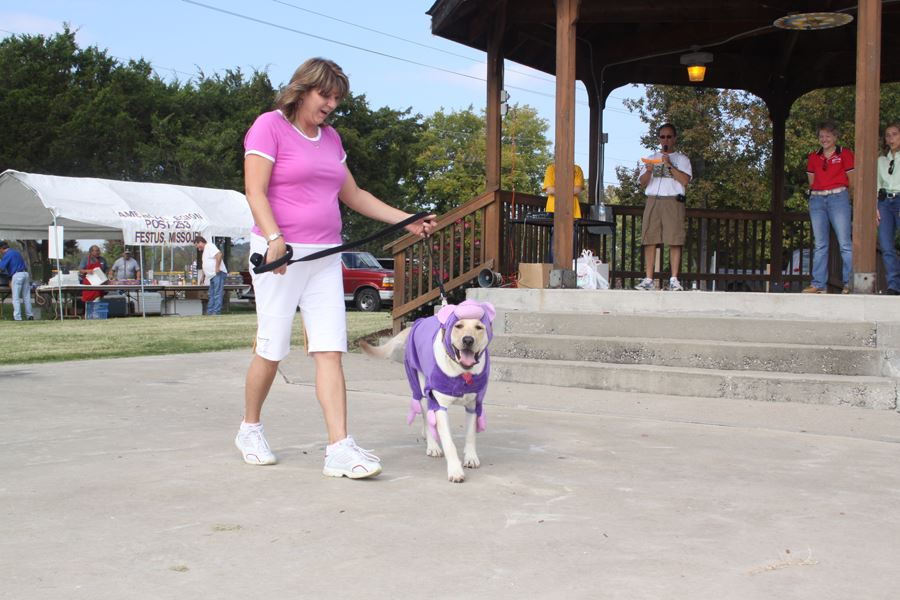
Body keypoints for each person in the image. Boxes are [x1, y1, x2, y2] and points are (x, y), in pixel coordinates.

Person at [239, 57, 435, 478]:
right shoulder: (269, 126)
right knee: (271, 348)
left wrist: (407, 218)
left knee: (330, 349)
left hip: (327, 256)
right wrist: (275, 239)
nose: (330, 104)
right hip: (281, 255)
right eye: (324, 95)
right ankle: (250, 428)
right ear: (302, 90)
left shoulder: (330, 139)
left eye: (336, 99)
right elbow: (255, 190)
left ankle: (339, 448)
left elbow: (355, 194)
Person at [634, 123, 692, 291]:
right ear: (659, 139)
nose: (665, 139)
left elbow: (685, 181)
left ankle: (674, 279)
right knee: (649, 239)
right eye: (662, 137)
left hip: (673, 201)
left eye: (668, 136)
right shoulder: (652, 157)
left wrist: (669, 165)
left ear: (674, 138)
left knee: (674, 239)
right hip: (653, 200)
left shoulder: (682, 159)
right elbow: (643, 183)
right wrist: (649, 171)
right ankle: (648, 279)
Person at [804, 120, 854, 294]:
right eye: (821, 136)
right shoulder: (813, 157)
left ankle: (849, 283)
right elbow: (811, 181)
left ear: (835, 136)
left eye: (828, 135)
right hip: (817, 200)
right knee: (820, 244)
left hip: (838, 197)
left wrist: (849, 197)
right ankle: (818, 284)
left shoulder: (845, 153)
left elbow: (852, 179)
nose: (824, 139)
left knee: (845, 243)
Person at [878, 122, 900, 295]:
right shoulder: (881, 160)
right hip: (884, 202)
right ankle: (894, 285)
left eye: (894, 134)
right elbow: (876, 185)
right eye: (888, 135)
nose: (891, 138)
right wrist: (874, 207)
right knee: (886, 245)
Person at [0, 240, 34, 321]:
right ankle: (30, 316)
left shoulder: (7, 254)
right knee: (26, 297)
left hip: (17, 275)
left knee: (15, 298)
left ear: (1, 248)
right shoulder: (16, 252)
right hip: (25, 274)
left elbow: (1, 268)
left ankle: (18, 318)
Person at [193, 236, 227, 315]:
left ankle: (216, 312)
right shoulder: (205, 251)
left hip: (217, 273)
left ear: (200, 242)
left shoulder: (210, 246)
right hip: (211, 276)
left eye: (196, 245)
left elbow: (219, 255)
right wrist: (203, 276)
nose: (197, 248)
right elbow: (206, 264)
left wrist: (217, 267)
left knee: (217, 293)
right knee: (211, 294)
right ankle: (210, 312)